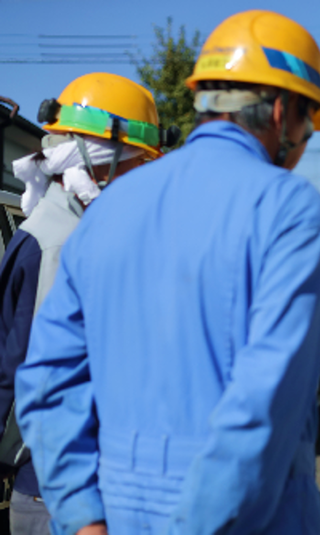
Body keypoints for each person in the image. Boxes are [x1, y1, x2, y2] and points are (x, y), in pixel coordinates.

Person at [14, 10, 320, 535]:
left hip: (110, 514)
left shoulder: (108, 210)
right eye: (309, 124)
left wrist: (82, 518)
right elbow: (265, 406)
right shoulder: (289, 209)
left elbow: (49, 382)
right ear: (284, 111)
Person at [0, 72, 172, 535]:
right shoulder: (61, 245)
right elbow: (51, 387)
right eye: (140, 164)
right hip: (62, 499)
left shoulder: (61, 230)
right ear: (101, 162)